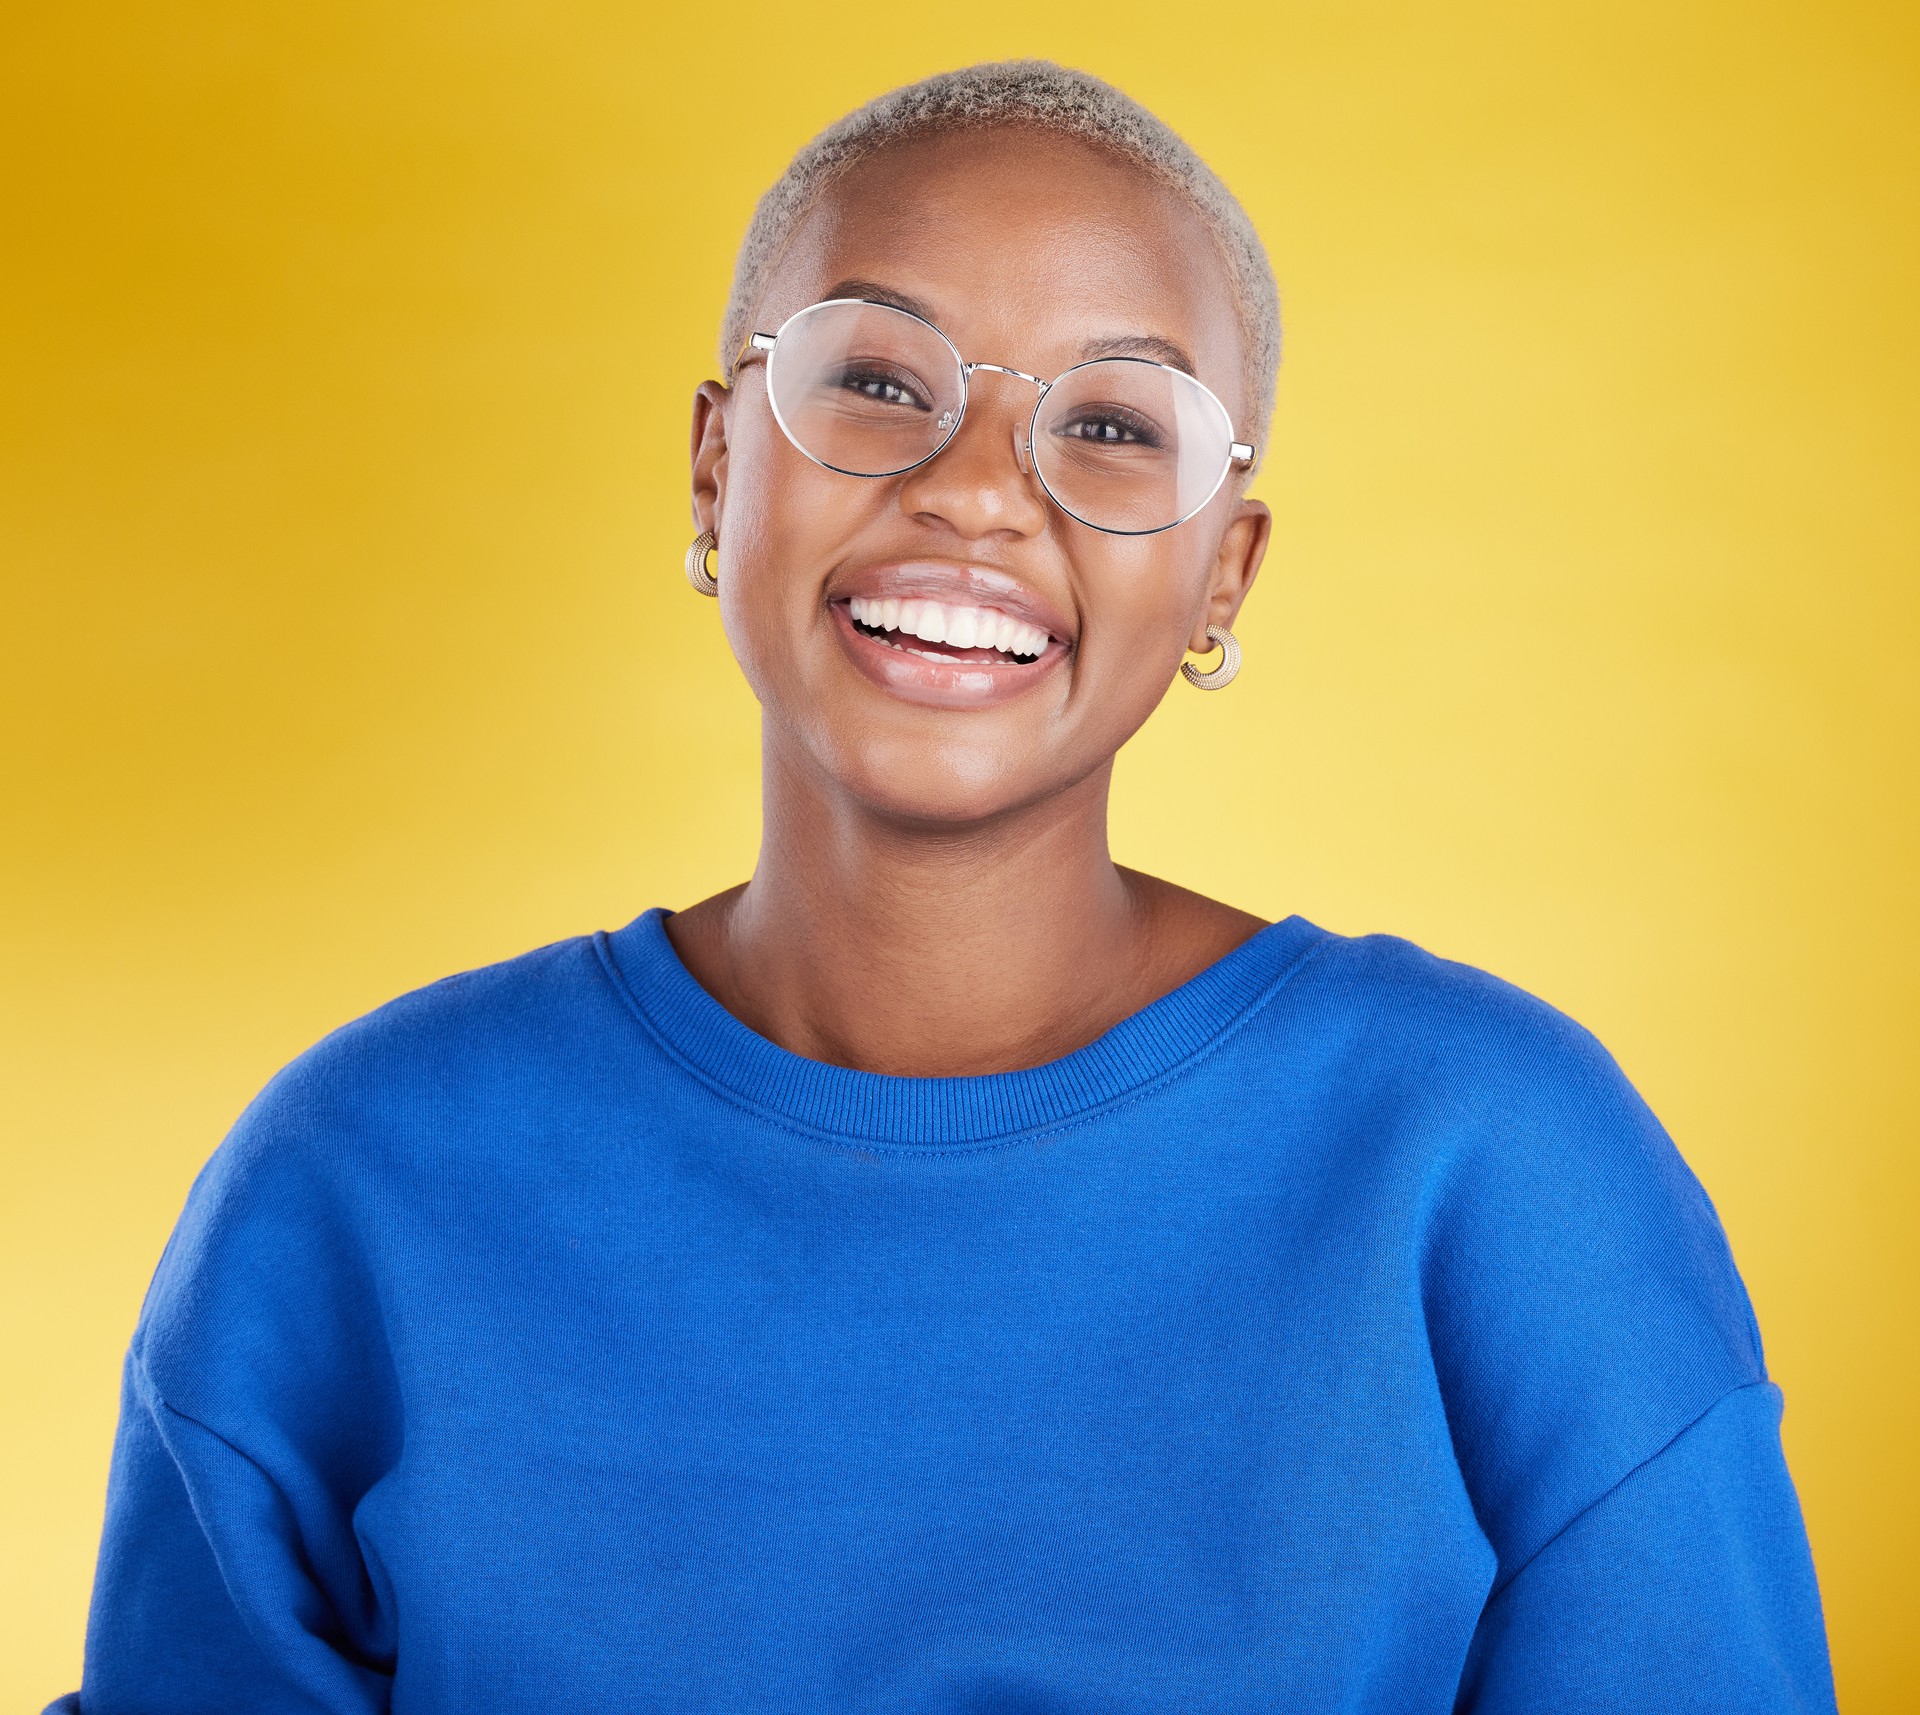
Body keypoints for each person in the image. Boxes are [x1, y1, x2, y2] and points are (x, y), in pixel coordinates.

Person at [52, 60, 1836, 1713]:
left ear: (1224, 575)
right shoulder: (358, 1176)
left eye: (1118, 426)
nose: (980, 488)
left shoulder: (1494, 1167)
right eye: (879, 382)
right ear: (714, 462)